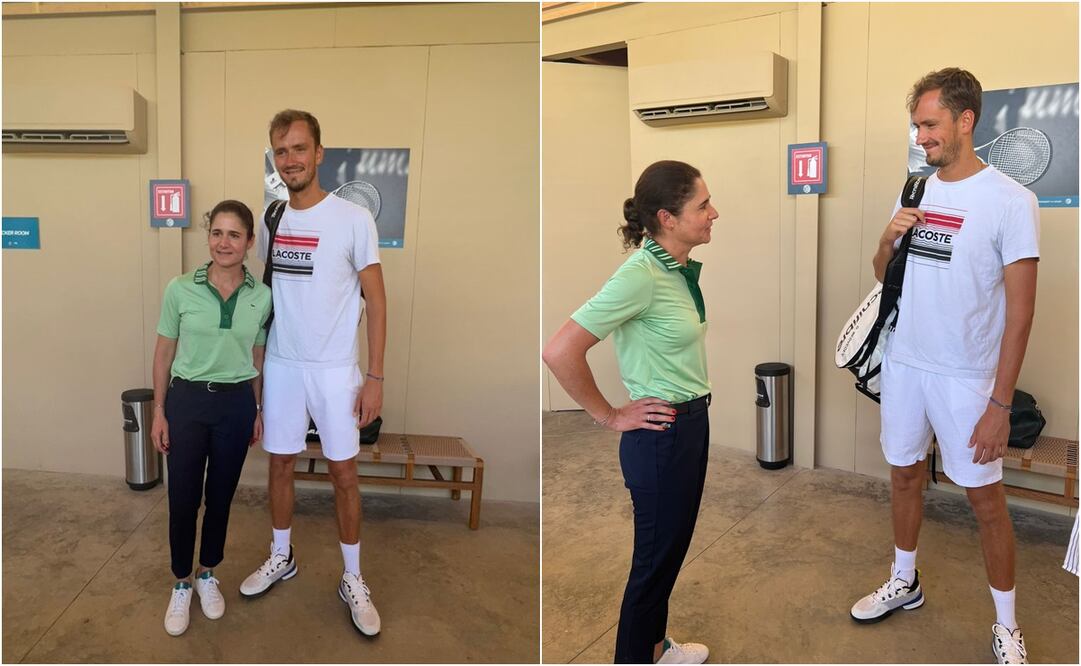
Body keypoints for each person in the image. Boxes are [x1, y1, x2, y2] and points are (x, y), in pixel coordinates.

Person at [849, 68, 1039, 665]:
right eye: (916, 125)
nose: (921, 136)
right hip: (906, 365)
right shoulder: (913, 191)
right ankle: (905, 581)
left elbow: (1021, 314)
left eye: (930, 124)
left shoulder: (1012, 201)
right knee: (904, 474)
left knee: (985, 500)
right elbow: (886, 276)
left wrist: (1000, 405)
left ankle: (1007, 626)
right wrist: (886, 240)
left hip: (968, 379)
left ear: (965, 121)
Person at [543, 160, 717, 664]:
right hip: (661, 438)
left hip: (688, 427)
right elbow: (560, 351)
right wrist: (610, 415)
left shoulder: (673, 268)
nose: (714, 213)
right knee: (652, 568)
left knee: (668, 557)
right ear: (667, 217)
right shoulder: (640, 275)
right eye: (702, 205)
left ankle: (656, 649)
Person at [240, 109, 387, 638]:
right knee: (279, 464)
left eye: (299, 149)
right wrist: (254, 381)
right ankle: (282, 556)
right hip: (282, 366)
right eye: (281, 151)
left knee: (343, 474)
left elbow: (377, 296)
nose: (290, 160)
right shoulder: (273, 216)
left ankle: (353, 578)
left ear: (319, 154)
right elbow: (267, 299)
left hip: (334, 372)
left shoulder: (352, 218)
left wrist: (375, 377)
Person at [151, 200, 272, 636]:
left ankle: (207, 574)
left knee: (220, 496)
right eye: (217, 233)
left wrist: (257, 409)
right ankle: (181, 581)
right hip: (186, 403)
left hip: (236, 404)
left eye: (234, 235)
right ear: (209, 238)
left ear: (249, 242)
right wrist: (159, 411)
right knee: (184, 496)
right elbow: (164, 353)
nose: (224, 242)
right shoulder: (180, 288)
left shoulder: (262, 296)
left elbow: (257, 355)